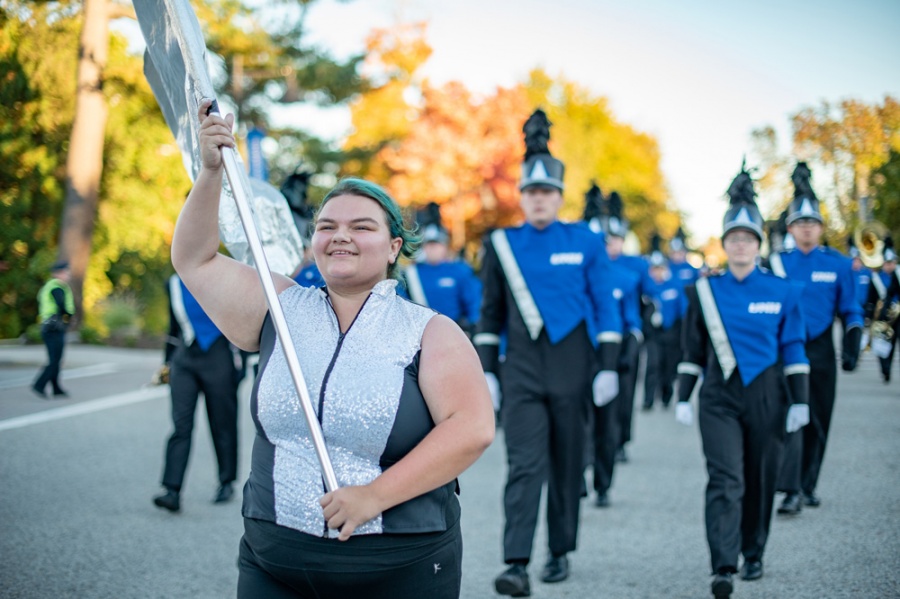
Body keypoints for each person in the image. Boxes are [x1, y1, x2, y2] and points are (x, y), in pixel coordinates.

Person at [172, 100, 494, 599]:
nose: (340, 235)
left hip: (399, 563)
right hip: (273, 559)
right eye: (327, 226)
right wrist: (211, 171)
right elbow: (192, 258)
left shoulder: (430, 330)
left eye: (362, 226)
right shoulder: (278, 306)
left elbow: (472, 429)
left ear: (393, 247)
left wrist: (374, 497)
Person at [474, 109, 621, 597]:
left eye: (547, 193)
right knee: (524, 465)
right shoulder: (501, 244)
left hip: (574, 365)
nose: (539, 200)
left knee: (566, 463)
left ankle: (559, 550)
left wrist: (608, 366)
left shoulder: (585, 241)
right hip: (522, 372)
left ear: (559, 197)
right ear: (522, 197)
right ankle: (516, 561)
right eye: (531, 192)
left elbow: (604, 305)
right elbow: (490, 313)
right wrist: (488, 371)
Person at [674, 164, 810, 599]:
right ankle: (723, 565)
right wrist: (682, 396)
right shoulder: (703, 291)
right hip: (718, 397)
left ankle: (754, 551)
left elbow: (793, 348)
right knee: (725, 477)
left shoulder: (782, 291)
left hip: (767, 394)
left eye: (747, 239)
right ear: (724, 243)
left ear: (757, 244)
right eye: (733, 238)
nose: (740, 245)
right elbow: (692, 350)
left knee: (760, 476)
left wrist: (800, 400)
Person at [768, 162, 862, 515]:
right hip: (786, 350)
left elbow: (850, 308)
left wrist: (852, 340)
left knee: (819, 418)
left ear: (821, 227)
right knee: (788, 415)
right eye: (799, 223)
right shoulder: (776, 263)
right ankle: (789, 488)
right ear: (790, 228)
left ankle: (808, 484)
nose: (806, 229)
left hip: (821, 349)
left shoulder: (838, 264)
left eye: (812, 223)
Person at [152, 273, 240, 512]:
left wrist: (241, 364)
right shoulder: (172, 282)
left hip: (219, 356)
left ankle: (226, 481)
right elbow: (173, 326)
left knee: (222, 423)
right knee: (180, 425)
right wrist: (166, 363)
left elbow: (241, 322)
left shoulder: (224, 276)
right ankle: (171, 490)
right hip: (185, 359)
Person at [582, 183, 642, 508]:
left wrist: (628, 351)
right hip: (578, 354)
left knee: (607, 424)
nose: (609, 246)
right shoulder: (576, 274)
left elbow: (631, 320)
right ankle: (576, 474)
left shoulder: (627, 277)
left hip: (612, 355)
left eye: (614, 240)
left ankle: (603, 484)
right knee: (576, 422)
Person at [601, 191, 649, 464]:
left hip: (622, 342)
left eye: (617, 239)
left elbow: (635, 312)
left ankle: (620, 441)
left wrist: (635, 338)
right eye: (608, 240)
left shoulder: (631, 271)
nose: (613, 245)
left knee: (624, 397)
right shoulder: (591, 270)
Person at [403, 202, 482, 335]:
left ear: (444, 246)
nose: (433, 249)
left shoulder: (459, 271)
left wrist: (474, 327)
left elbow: (474, 302)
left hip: (456, 332)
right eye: (429, 245)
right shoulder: (411, 274)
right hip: (421, 335)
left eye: (437, 244)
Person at [641, 235, 688, 410]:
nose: (657, 273)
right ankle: (648, 399)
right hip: (653, 334)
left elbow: (682, 309)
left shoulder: (674, 285)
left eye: (660, 269)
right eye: (654, 269)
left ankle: (666, 395)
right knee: (652, 364)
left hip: (671, 333)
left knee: (668, 366)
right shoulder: (647, 288)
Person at [32, 260, 75, 398]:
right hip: (54, 327)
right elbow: (61, 305)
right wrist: (68, 315)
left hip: (49, 326)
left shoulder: (50, 286)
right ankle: (39, 384)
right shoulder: (57, 287)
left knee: (56, 359)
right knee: (55, 359)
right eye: (66, 272)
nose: (68, 275)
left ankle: (56, 388)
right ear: (59, 273)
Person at [865, 238, 899, 383]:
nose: (890, 266)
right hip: (882, 317)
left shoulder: (897, 276)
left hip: (898, 317)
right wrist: (869, 315)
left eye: (892, 263)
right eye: (887, 263)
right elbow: (871, 298)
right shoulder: (876, 278)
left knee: (894, 343)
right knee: (883, 344)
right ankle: (885, 369)